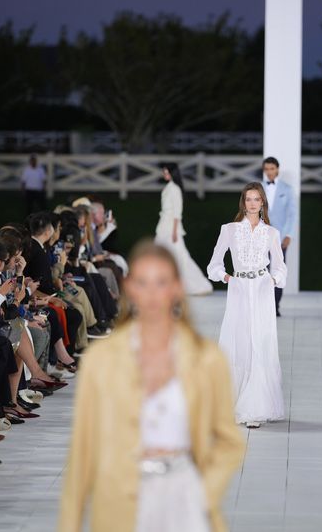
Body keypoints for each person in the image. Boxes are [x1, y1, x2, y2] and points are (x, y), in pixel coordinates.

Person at [59, 240, 244, 532]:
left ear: (177, 288)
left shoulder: (206, 359)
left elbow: (229, 441)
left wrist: (203, 493)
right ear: (130, 287)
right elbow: (82, 452)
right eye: (143, 283)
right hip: (118, 501)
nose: (152, 294)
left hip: (186, 501)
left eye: (162, 282)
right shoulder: (101, 360)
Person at [207, 182, 287, 428]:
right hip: (239, 290)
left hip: (262, 291)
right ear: (244, 202)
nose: (252, 203)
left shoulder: (271, 233)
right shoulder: (229, 230)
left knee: (260, 342)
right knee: (238, 341)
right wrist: (228, 278)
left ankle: (254, 408)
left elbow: (280, 265)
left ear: (263, 202)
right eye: (248, 199)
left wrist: (273, 281)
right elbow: (214, 265)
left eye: (257, 199)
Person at [154, 164, 213, 296]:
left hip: (171, 227)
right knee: (160, 255)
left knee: (180, 256)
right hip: (164, 225)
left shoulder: (175, 189)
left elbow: (177, 212)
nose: (165, 174)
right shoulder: (169, 188)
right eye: (164, 172)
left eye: (166, 172)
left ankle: (197, 284)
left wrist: (175, 230)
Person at [260, 157, 296, 317]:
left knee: (278, 271)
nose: (269, 172)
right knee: (260, 270)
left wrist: (289, 235)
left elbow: (292, 214)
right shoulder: (258, 188)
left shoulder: (287, 189)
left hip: (280, 237)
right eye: (266, 169)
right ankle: (261, 305)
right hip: (260, 236)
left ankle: (275, 305)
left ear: (277, 169)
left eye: (272, 169)